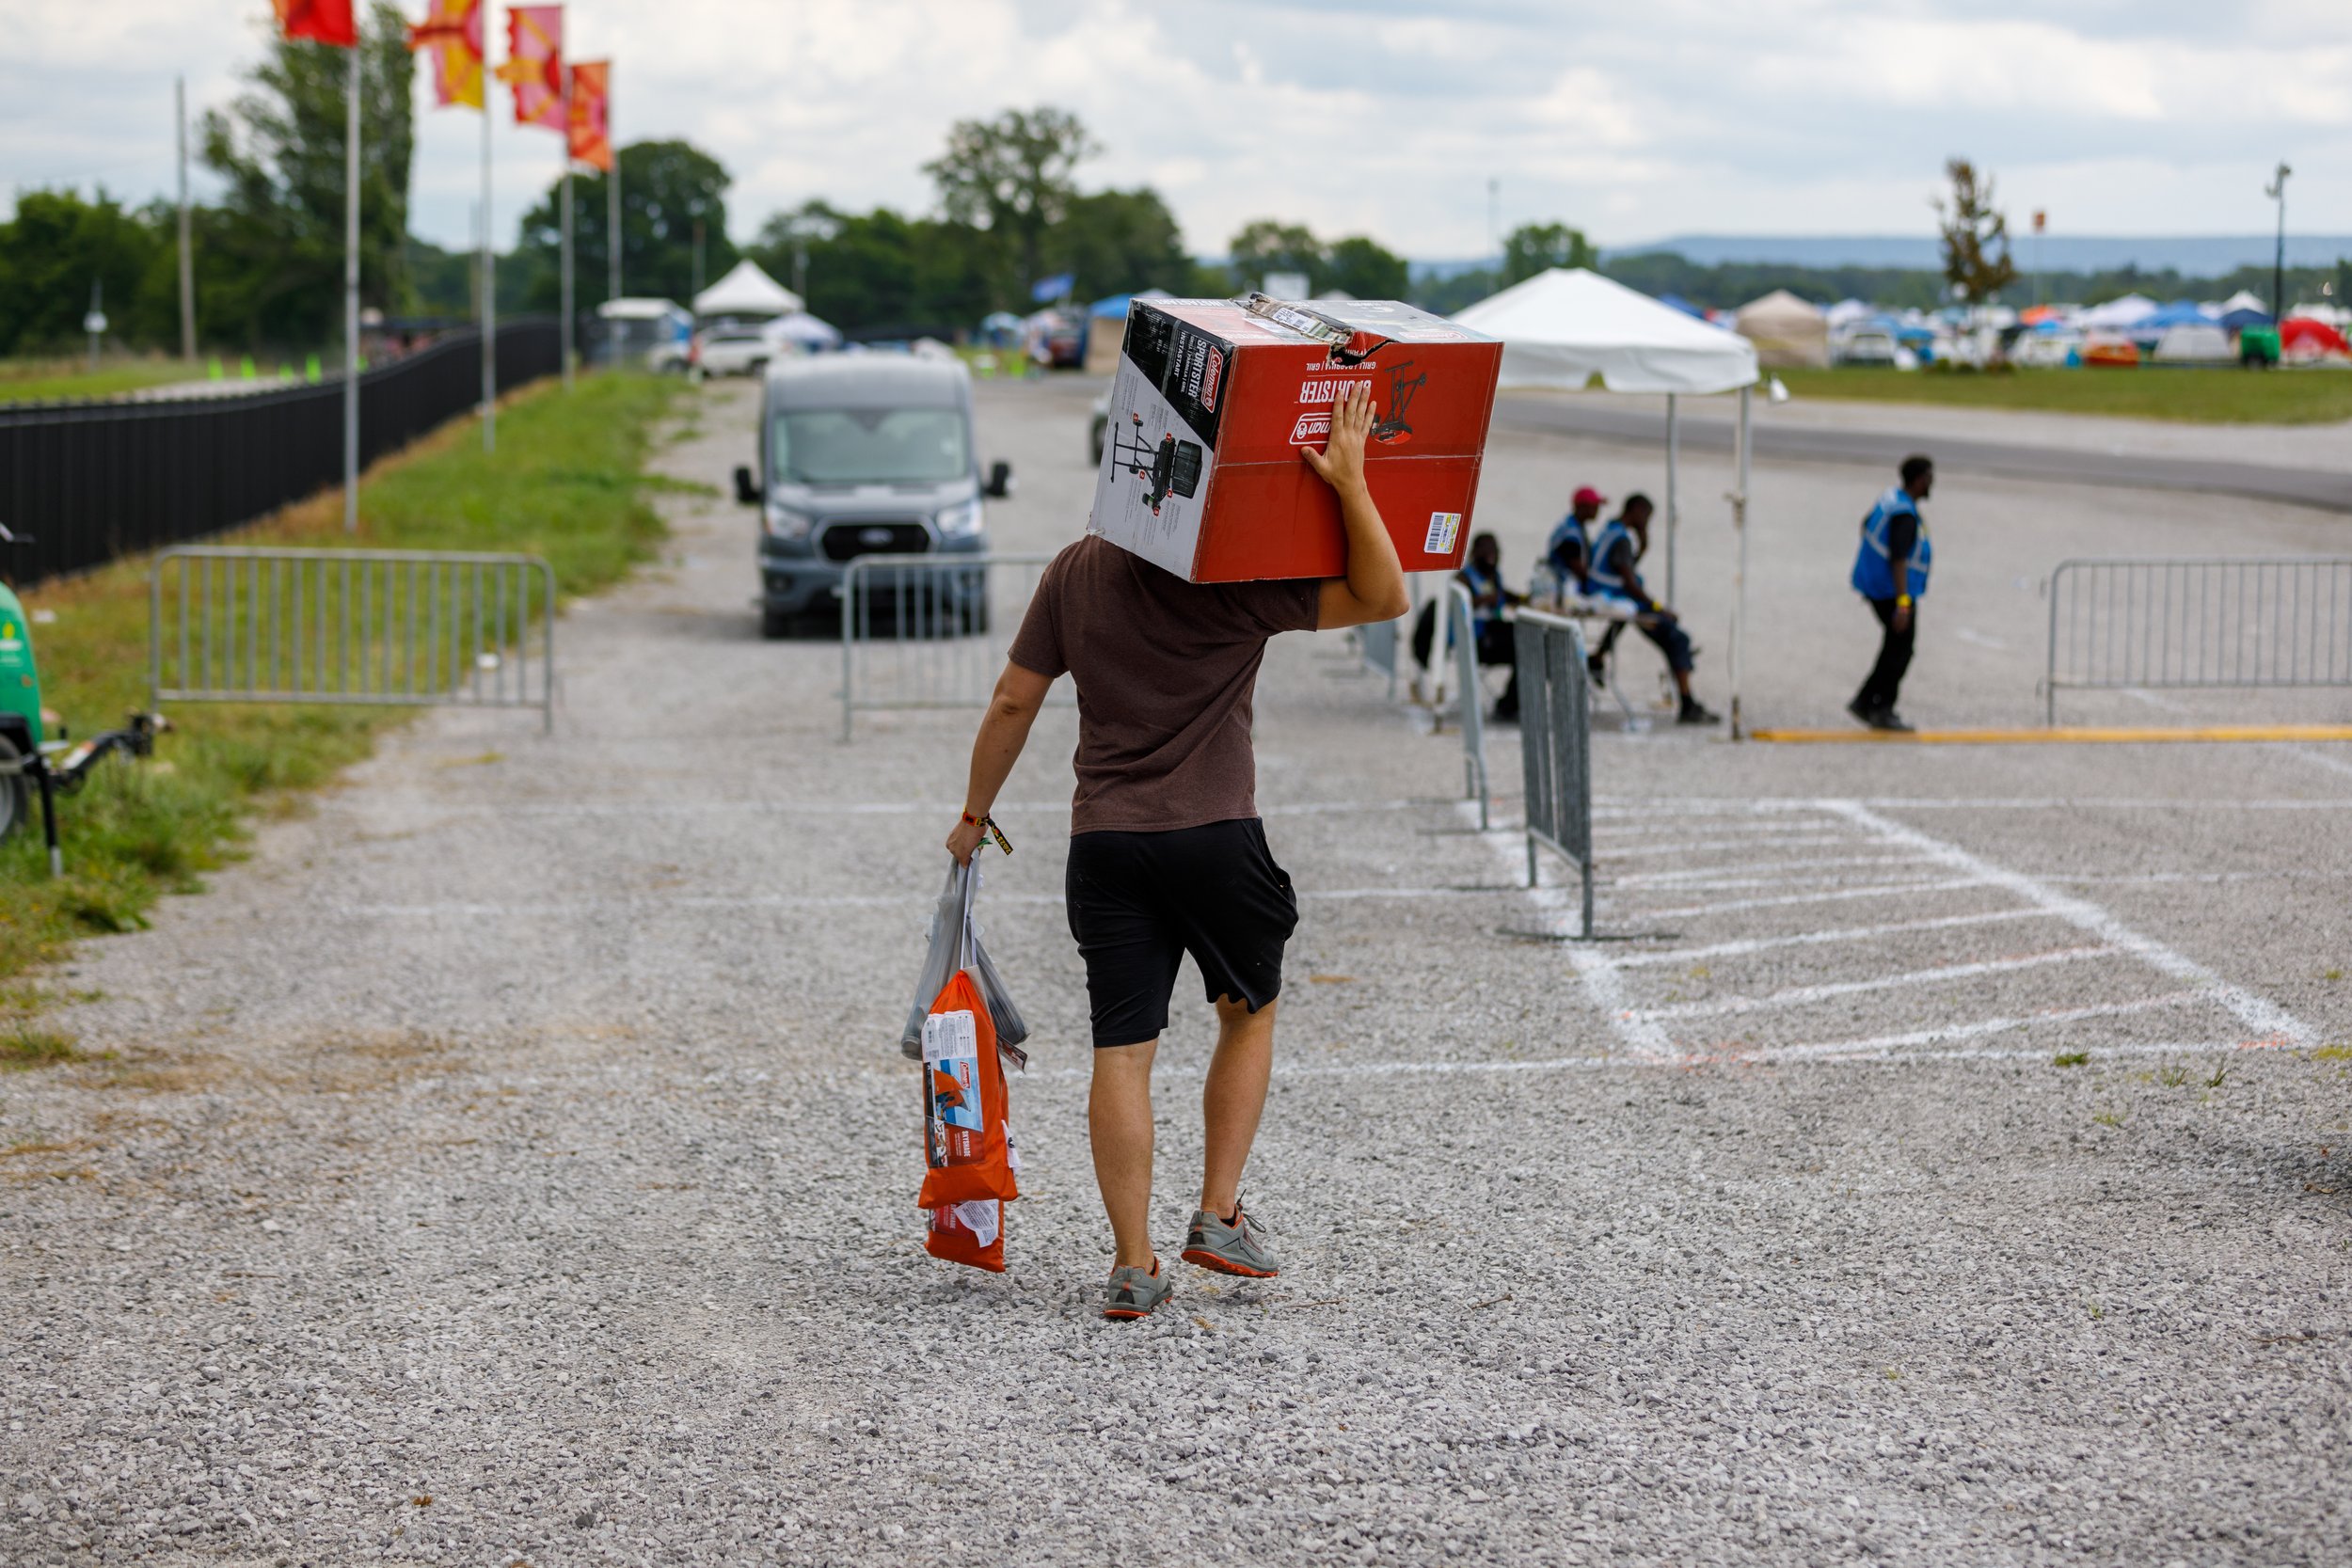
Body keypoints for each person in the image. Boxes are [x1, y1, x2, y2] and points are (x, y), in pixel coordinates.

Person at [945, 385, 1407, 1321]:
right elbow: (1384, 593)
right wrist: (1351, 482)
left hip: (1104, 842)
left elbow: (1009, 703)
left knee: (1123, 1047)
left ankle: (1131, 1261)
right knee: (1248, 1008)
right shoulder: (1231, 574)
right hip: (1213, 835)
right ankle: (1217, 1212)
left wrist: (974, 817)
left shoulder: (1073, 571)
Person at [1586, 494, 1719, 725]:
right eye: (1646, 516)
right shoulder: (1621, 539)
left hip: (1605, 595)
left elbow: (1620, 570)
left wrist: (1644, 547)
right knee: (1677, 639)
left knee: (1645, 626)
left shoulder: (1611, 530)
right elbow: (1628, 582)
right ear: (1636, 510)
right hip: (1614, 598)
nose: (1647, 522)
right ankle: (1687, 703)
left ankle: (1598, 656)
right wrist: (1658, 607)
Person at [1848, 454, 1932, 733]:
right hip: (1891, 593)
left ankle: (1865, 700)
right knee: (1901, 650)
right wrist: (1903, 603)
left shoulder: (1891, 498)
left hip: (1875, 585)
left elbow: (1865, 524)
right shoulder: (1905, 516)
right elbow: (1899, 560)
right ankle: (1881, 707)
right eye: (1930, 477)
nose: (1932, 483)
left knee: (1893, 647)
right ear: (1919, 480)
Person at [1408, 531, 1526, 719]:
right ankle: (1509, 705)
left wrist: (1522, 599)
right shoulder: (1464, 579)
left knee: (1526, 641)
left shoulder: (1493, 575)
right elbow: (1460, 604)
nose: (1491, 555)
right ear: (1475, 552)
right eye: (1486, 550)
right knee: (1526, 650)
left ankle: (1511, 702)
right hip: (1474, 640)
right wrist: (1486, 599)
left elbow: (1505, 595)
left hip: (1490, 632)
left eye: (1494, 550)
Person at [1538, 484, 1607, 599]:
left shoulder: (1573, 527)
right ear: (1582, 506)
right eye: (1594, 506)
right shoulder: (1571, 533)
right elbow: (1577, 567)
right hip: (1563, 590)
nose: (1597, 510)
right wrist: (1599, 585)